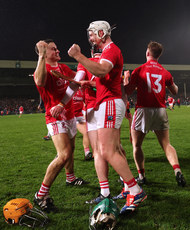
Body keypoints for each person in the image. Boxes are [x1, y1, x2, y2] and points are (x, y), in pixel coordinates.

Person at [67, 20, 147, 214]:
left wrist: (78, 56)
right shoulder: (106, 52)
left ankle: (135, 190)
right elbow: (100, 76)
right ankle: (128, 188)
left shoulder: (111, 49)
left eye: (93, 34)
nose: (91, 38)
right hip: (106, 102)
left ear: (102, 32)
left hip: (110, 102)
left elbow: (102, 70)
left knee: (108, 150)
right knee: (109, 150)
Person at [33, 39, 89, 211]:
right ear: (44, 52)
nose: (58, 51)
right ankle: (41, 194)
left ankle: (70, 178)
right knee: (63, 154)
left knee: (71, 150)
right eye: (53, 49)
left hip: (70, 114)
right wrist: (41, 56)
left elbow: (78, 78)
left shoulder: (62, 67)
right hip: (55, 117)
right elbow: (40, 82)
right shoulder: (43, 68)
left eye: (57, 48)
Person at [124, 41, 186, 187]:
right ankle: (177, 170)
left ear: (147, 53)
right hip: (160, 110)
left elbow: (126, 91)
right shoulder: (165, 72)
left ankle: (142, 176)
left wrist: (126, 77)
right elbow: (175, 91)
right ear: (159, 55)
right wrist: (171, 82)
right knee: (166, 144)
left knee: (137, 145)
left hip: (143, 110)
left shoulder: (139, 70)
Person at [72, 88, 93, 160]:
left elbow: (85, 101)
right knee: (68, 138)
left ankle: (87, 153)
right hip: (69, 116)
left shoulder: (82, 90)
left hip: (79, 115)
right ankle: (60, 154)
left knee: (86, 131)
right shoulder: (68, 88)